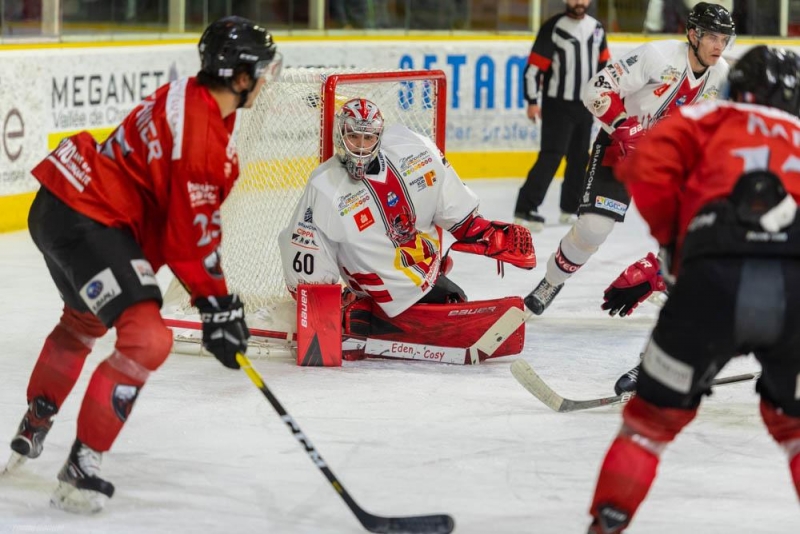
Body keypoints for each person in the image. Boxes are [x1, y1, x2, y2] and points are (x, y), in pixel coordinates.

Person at [7, 16, 282, 513]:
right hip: (89, 219)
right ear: (241, 77)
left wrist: (213, 301)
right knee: (148, 338)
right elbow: (187, 239)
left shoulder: (187, 95)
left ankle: (36, 421)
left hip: (57, 206)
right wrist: (217, 305)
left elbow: (173, 220)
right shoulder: (202, 138)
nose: (266, 80)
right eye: (262, 70)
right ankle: (80, 468)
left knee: (83, 322)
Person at [586, 45, 800, 533]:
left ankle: (606, 524)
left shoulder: (705, 118)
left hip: (710, 286)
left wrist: (676, 250)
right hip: (795, 291)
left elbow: (645, 167)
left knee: (647, 428)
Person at [523, 2, 734, 316]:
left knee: (701, 219)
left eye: (724, 39)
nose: (719, 46)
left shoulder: (721, 73)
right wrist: (625, 127)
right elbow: (595, 89)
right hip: (620, 150)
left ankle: (661, 277)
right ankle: (551, 282)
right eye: (712, 37)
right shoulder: (657, 56)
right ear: (693, 35)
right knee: (593, 229)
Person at [277, 98, 535, 339]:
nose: (361, 146)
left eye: (368, 138)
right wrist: (322, 311)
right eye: (353, 136)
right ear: (340, 135)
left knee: (454, 297)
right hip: (378, 292)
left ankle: (371, 318)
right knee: (447, 302)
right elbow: (306, 254)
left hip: (422, 276)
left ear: (379, 137)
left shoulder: (410, 150)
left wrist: (486, 232)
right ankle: (363, 315)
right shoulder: (324, 185)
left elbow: (453, 207)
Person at [514, 0, 610, 232]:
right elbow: (534, 69)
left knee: (579, 158)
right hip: (557, 105)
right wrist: (532, 101)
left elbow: (604, 67)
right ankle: (525, 209)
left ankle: (570, 208)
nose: (579, 2)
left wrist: (603, 97)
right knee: (551, 156)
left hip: (585, 105)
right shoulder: (553, 27)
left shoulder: (597, 29)